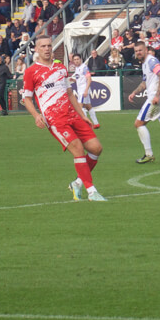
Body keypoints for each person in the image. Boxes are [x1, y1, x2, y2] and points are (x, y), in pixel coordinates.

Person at [21, 36, 106, 201]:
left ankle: (78, 183)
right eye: (43, 46)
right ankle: (91, 192)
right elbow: (27, 98)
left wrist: (83, 115)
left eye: (49, 46)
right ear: (36, 49)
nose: (47, 49)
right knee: (78, 150)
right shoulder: (31, 72)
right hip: (55, 120)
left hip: (73, 115)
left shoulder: (61, 68)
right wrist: (36, 116)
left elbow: (69, 93)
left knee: (96, 148)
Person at [68, 52, 98, 128]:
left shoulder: (84, 67)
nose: (76, 61)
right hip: (81, 90)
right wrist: (74, 80)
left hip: (83, 90)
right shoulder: (77, 68)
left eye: (78, 59)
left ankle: (86, 124)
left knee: (79, 107)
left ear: (81, 59)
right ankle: (96, 123)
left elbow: (89, 79)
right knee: (88, 106)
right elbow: (81, 79)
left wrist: (86, 90)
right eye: (75, 59)